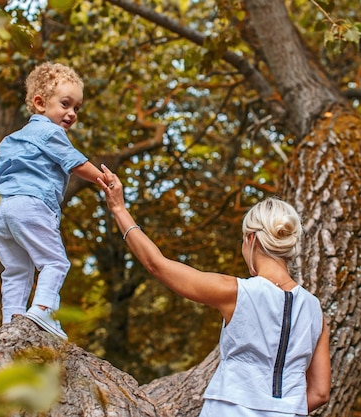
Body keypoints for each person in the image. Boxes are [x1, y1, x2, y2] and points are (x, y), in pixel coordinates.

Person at [98, 165, 331, 416]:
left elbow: (157, 264)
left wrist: (119, 209)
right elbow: (320, 393)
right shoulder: (314, 309)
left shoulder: (236, 292)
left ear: (251, 239)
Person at [0, 62, 105, 340]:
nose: (71, 113)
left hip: (2, 211)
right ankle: (43, 310)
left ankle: (12, 319)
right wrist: (104, 179)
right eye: (65, 104)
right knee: (54, 262)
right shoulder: (51, 132)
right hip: (31, 205)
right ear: (40, 103)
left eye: (77, 108)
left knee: (16, 269)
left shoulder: (11, 139)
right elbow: (75, 162)